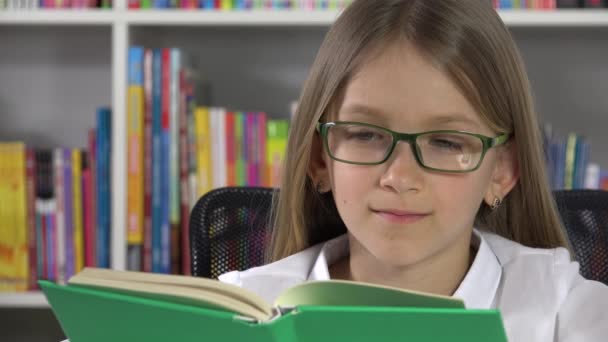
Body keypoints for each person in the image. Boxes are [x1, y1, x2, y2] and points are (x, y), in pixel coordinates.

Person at [219, 0, 608, 340]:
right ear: (320, 160)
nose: (400, 177)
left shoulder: (564, 311)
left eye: (446, 142)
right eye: (366, 134)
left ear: (502, 171)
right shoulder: (240, 312)